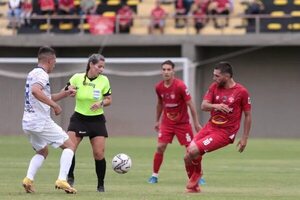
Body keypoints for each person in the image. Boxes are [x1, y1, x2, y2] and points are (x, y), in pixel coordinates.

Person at [184, 61, 252, 193]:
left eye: (217, 76)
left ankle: (197, 174)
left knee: (193, 152)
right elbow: (203, 106)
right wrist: (217, 106)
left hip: (225, 133)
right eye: (214, 75)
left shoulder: (241, 92)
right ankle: (194, 188)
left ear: (227, 76)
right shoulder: (214, 87)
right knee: (187, 156)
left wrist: (244, 138)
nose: (214, 78)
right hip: (210, 127)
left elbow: (248, 115)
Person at [22, 46, 77, 194]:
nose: (54, 65)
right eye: (54, 62)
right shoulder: (42, 75)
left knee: (42, 151)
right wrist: (54, 106)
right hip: (40, 121)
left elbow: (43, 95)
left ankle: (28, 179)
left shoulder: (32, 73)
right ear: (49, 60)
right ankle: (62, 179)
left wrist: (64, 94)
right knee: (69, 146)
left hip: (28, 121)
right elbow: (35, 91)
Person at [148, 60, 202, 184]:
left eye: (168, 69)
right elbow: (160, 104)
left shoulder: (180, 86)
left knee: (192, 150)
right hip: (167, 123)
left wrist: (196, 123)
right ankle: (154, 176)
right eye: (164, 69)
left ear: (173, 71)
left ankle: (198, 175)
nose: (166, 72)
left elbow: (190, 104)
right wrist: (157, 121)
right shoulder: (159, 87)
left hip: (183, 123)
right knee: (160, 147)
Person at [65, 54, 112, 192]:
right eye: (99, 66)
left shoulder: (104, 80)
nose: (101, 69)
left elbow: (109, 99)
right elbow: (66, 90)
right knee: (69, 148)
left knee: (99, 153)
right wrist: (70, 92)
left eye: (103, 67)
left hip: (96, 120)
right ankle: (70, 178)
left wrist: (101, 102)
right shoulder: (77, 77)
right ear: (91, 64)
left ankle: (100, 185)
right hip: (79, 118)